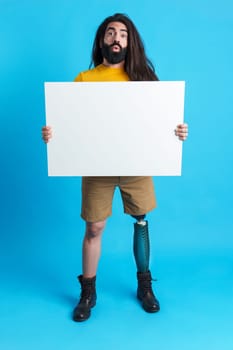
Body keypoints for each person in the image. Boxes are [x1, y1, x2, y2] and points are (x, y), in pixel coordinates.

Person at [42, 13, 188, 322]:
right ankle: (88, 291)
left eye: (122, 33)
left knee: (141, 219)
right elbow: (70, 123)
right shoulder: (85, 79)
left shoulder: (143, 77)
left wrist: (177, 130)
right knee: (94, 227)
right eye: (110, 33)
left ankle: (144, 285)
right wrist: (54, 134)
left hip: (136, 163)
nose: (116, 38)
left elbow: (163, 119)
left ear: (129, 41)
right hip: (97, 165)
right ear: (102, 41)